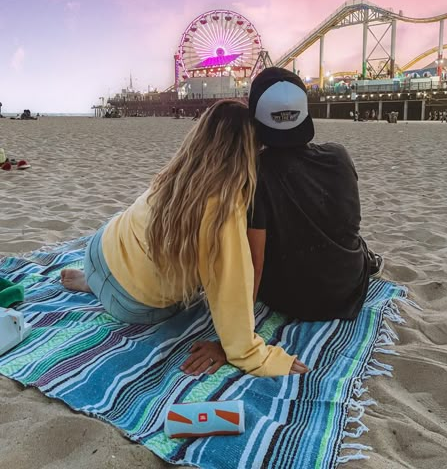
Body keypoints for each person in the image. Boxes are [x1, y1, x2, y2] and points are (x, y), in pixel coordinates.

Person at [61, 100, 306, 378]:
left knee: (139, 227)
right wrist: (250, 353)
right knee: (189, 295)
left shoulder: (176, 173)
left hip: (97, 251)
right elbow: (231, 286)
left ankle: (95, 281)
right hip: (132, 307)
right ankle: (106, 290)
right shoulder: (225, 207)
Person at [188, 68, 381, 371]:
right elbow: (348, 220)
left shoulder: (256, 175)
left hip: (296, 300)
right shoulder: (339, 156)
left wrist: (232, 342)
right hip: (349, 291)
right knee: (353, 242)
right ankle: (368, 260)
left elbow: (255, 261)